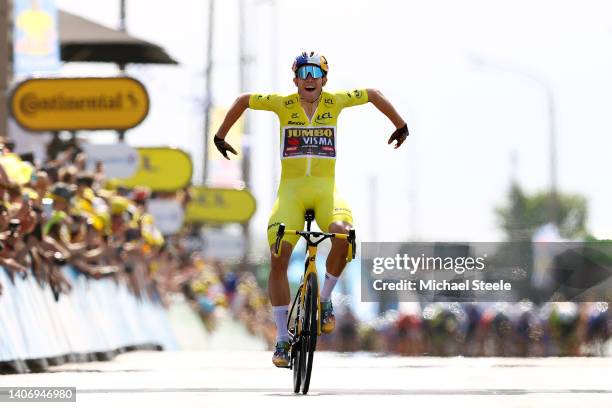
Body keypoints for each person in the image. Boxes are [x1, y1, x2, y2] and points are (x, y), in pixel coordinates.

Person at [213, 51, 408, 367]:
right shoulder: (282, 103)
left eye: (315, 72)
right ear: (295, 79)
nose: (308, 77)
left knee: (344, 237)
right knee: (278, 257)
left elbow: (373, 94)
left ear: (324, 79)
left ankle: (325, 299)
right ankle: (280, 339)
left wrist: (400, 124)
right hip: (290, 195)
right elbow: (244, 99)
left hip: (325, 193)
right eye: (302, 72)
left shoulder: (336, 101)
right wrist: (220, 135)